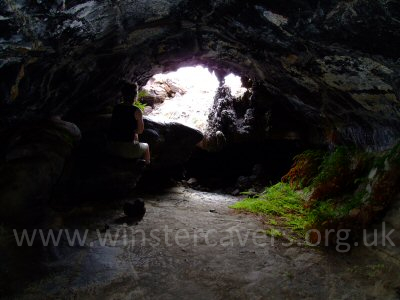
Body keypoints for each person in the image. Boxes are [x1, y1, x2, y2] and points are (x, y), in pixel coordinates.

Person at [108, 82, 150, 164]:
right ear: (135, 96)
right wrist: (133, 132)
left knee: (134, 135)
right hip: (125, 149)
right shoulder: (137, 111)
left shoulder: (116, 108)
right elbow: (140, 131)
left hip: (111, 146)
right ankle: (145, 166)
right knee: (146, 146)